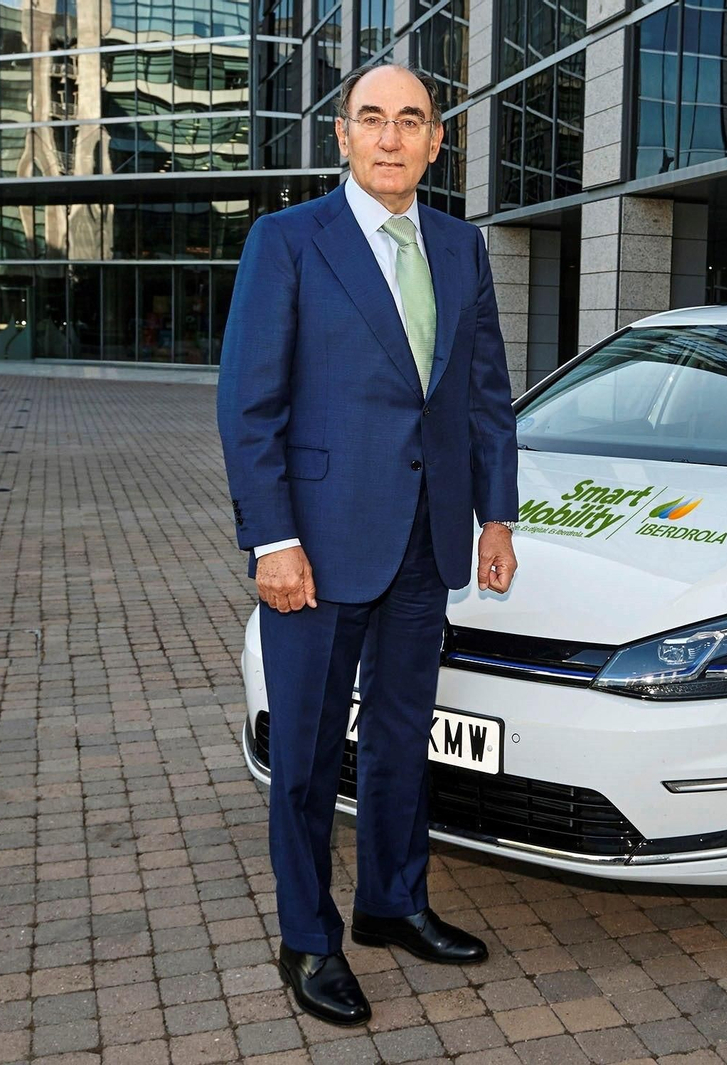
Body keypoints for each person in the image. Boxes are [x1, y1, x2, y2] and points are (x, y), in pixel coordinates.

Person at [215, 61, 519, 1027]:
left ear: (438, 141)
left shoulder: (462, 246)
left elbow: (484, 394)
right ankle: (308, 940)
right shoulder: (288, 241)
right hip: (317, 546)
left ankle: (393, 901)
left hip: (427, 542)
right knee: (306, 757)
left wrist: (496, 515)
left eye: (412, 120)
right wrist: (272, 539)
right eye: (373, 119)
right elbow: (249, 405)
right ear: (342, 135)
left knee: (400, 737)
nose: (392, 137)